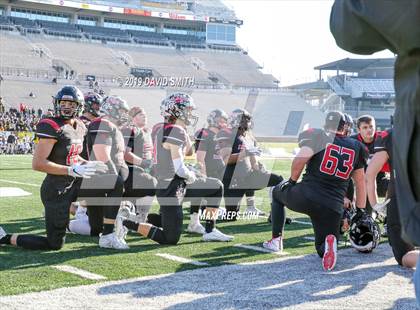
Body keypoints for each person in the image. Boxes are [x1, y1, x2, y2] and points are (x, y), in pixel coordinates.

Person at [330, 2, 420, 301]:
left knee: (404, 250)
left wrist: (377, 205)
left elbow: (347, 29)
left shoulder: (383, 138)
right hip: (376, 185)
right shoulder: (361, 141)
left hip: (392, 184)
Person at [116, 92, 233, 244]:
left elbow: (188, 151)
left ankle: (210, 230)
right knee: (170, 238)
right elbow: (180, 169)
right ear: (177, 111)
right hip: (171, 188)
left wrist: (185, 134)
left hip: (171, 186)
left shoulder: (168, 128)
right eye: (188, 110)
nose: (190, 114)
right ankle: (125, 222)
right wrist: (190, 173)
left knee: (215, 186)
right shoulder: (174, 130)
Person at [0, 86, 106, 250]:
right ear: (57, 103)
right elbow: (38, 163)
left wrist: (87, 164)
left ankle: (111, 226)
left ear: (79, 106)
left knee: (106, 183)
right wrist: (71, 170)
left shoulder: (80, 126)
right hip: (56, 190)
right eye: (63, 102)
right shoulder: (51, 125)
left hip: (74, 183)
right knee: (55, 244)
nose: (66, 106)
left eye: (71, 104)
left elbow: (71, 155)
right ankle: (5, 238)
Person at [263, 111, 368, 271]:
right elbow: (360, 182)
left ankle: (276, 240)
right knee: (322, 246)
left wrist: (291, 181)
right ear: (345, 127)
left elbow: (300, 159)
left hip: (306, 196)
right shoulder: (357, 147)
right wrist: (360, 210)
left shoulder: (318, 135)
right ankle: (328, 245)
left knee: (276, 193)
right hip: (332, 206)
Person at [76, 95, 130, 249]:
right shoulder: (103, 123)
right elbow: (102, 155)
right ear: (111, 109)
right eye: (121, 110)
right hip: (95, 179)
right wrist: (116, 179)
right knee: (142, 182)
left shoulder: (112, 126)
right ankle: (110, 233)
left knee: (96, 228)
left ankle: (64, 224)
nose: (124, 114)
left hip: (97, 180)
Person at [216, 109, 283, 220]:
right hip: (232, 180)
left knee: (278, 180)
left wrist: (258, 167)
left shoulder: (249, 137)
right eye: (245, 119)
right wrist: (245, 153)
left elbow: (253, 161)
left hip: (248, 177)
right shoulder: (226, 134)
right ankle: (207, 210)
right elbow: (226, 159)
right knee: (231, 216)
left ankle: (275, 213)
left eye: (248, 119)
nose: (248, 122)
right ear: (237, 121)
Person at [366, 129, 419, 268]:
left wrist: (375, 204)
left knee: (404, 256)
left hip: (403, 200)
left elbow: (370, 174)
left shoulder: (391, 135)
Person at [121, 107, 157, 225]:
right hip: (128, 170)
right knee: (151, 183)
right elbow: (125, 154)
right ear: (132, 117)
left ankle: (135, 216)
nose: (144, 116)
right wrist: (143, 162)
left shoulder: (146, 131)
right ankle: (141, 218)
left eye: (145, 114)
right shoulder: (130, 129)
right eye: (140, 114)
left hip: (141, 169)